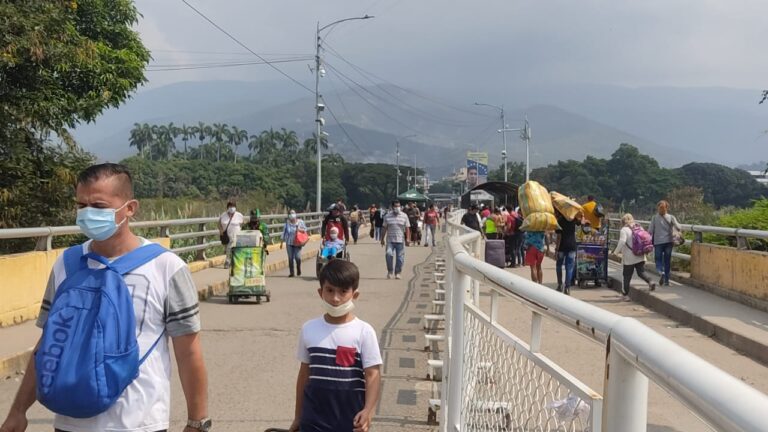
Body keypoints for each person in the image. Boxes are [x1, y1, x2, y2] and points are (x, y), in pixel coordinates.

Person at [0, 163, 210, 432]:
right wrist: (18, 411)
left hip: (139, 424)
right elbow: (48, 344)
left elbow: (189, 352)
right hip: (70, 422)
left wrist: (197, 422)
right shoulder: (67, 263)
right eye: (81, 205)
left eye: (98, 206)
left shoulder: (166, 267)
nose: (87, 214)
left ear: (130, 208)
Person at [288, 260, 382, 432]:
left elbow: (372, 375)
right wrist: (298, 416)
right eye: (330, 290)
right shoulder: (309, 329)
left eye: (343, 291)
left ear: (355, 295)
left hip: (349, 420)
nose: (335, 298)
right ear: (320, 292)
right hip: (312, 420)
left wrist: (368, 412)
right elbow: (304, 375)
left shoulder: (364, 332)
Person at [614, 213, 657, 301]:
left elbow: (622, 241)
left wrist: (615, 252)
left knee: (626, 276)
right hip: (640, 255)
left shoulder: (624, 230)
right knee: (641, 272)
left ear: (623, 221)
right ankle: (650, 281)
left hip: (629, 258)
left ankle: (625, 295)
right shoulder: (639, 227)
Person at [648, 200, 682, 286]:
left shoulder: (654, 218)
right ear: (667, 208)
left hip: (658, 242)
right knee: (667, 261)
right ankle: (667, 281)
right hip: (669, 242)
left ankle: (661, 272)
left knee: (658, 260)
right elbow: (679, 227)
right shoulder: (671, 217)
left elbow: (650, 230)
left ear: (657, 208)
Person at [380, 200, 410, 279]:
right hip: (390, 240)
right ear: (392, 207)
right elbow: (384, 228)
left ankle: (398, 272)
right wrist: (382, 239)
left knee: (400, 258)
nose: (397, 208)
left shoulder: (404, 216)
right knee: (388, 254)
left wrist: (408, 238)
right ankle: (390, 271)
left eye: (398, 206)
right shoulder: (387, 216)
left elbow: (407, 228)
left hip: (400, 240)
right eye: (396, 206)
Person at [554, 209, 581, 295]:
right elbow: (580, 222)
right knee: (569, 268)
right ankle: (567, 288)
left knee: (558, 266)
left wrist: (556, 249)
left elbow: (559, 237)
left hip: (562, 247)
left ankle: (560, 285)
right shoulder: (573, 219)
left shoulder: (559, 221)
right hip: (572, 246)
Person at [281, 210, 308, 277]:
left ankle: (298, 268)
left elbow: (305, 230)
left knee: (297, 257)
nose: (292, 214)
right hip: (289, 242)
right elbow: (284, 233)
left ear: (295, 214)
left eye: (293, 213)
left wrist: (299, 230)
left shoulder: (300, 222)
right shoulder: (287, 223)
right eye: (290, 213)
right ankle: (292, 272)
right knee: (290, 258)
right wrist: (281, 243)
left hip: (298, 242)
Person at [219, 200, 244, 268]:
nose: (231, 208)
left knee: (232, 248)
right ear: (227, 207)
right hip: (227, 236)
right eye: (230, 206)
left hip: (236, 235)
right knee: (228, 248)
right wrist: (221, 231)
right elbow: (219, 224)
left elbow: (243, 224)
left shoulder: (239, 215)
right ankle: (229, 261)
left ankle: (229, 261)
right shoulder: (223, 215)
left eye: (233, 206)